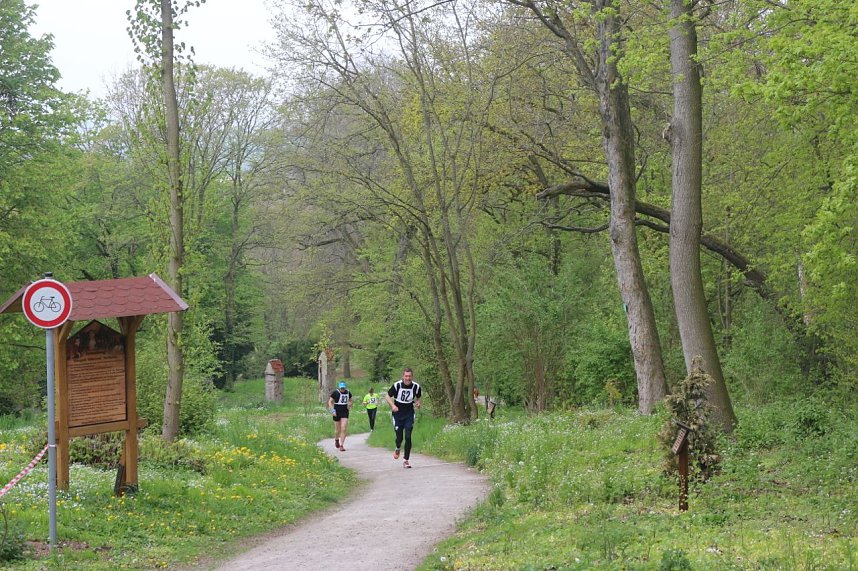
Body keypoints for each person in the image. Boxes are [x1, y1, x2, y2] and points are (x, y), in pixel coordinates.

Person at [386, 368, 422, 468]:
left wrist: (418, 403)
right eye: (406, 376)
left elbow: (418, 397)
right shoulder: (397, 385)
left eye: (409, 376)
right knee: (399, 437)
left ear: (412, 376)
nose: (408, 378)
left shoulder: (416, 386)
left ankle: (406, 460)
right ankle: (397, 447)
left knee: (408, 436)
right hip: (397, 413)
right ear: (403, 376)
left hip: (409, 413)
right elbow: (387, 396)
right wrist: (392, 406)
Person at [328, 381, 353, 451]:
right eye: (341, 388)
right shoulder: (335, 393)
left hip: (345, 411)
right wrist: (332, 410)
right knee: (337, 430)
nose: (342, 389)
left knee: (343, 428)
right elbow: (330, 401)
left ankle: (341, 445)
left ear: (345, 387)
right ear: (339, 388)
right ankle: (336, 439)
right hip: (337, 411)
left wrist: (350, 404)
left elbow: (351, 400)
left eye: (343, 388)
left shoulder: (348, 392)